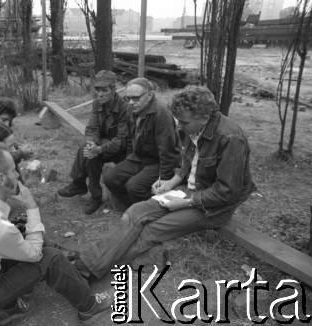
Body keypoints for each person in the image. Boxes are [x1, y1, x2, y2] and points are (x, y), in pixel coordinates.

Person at [71, 86, 256, 280]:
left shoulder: (231, 138)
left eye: (183, 122)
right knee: (134, 212)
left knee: (152, 230)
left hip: (215, 205)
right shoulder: (195, 126)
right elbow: (189, 160)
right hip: (188, 191)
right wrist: (172, 182)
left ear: (204, 117)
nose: (179, 126)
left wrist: (186, 202)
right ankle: (88, 262)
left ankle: (89, 270)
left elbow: (227, 192)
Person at [0, 142, 112, 325]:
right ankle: (88, 306)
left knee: (20, 222)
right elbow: (35, 254)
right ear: (1, 179)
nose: (16, 173)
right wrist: (32, 207)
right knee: (50, 258)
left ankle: (9, 306)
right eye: (12, 170)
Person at [103, 77, 181, 212]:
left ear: (149, 95)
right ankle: (132, 207)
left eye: (136, 98)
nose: (131, 102)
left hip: (157, 162)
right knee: (109, 178)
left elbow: (167, 151)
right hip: (137, 158)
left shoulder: (161, 114)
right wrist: (128, 158)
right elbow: (129, 139)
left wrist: (164, 178)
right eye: (128, 98)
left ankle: (148, 213)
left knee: (134, 186)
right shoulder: (131, 110)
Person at [57, 70, 128, 215]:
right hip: (103, 144)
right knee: (89, 152)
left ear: (114, 90)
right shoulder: (97, 103)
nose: (100, 94)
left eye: (105, 90)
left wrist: (100, 148)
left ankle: (79, 184)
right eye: (98, 90)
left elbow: (122, 140)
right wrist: (91, 144)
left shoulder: (124, 108)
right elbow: (91, 127)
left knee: (94, 153)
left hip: (123, 150)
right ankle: (95, 196)